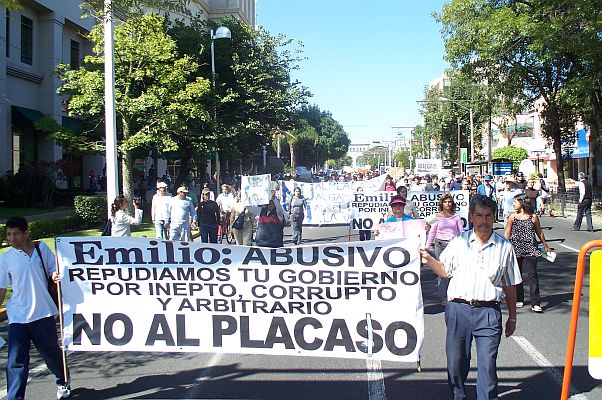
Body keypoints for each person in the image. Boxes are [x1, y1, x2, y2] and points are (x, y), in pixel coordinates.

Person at [420, 195, 521, 400]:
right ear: (471, 217)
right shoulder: (459, 242)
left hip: (489, 313)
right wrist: (429, 259)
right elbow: (444, 271)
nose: (484, 221)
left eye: (488, 216)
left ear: (494, 217)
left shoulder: (505, 247)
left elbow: (510, 285)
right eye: (479, 216)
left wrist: (512, 317)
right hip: (458, 310)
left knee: (487, 364)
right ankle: (459, 395)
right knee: (456, 362)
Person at [0, 217, 72, 400]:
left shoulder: (41, 249)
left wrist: (55, 275)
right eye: (9, 234)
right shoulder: (5, 258)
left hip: (43, 313)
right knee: (16, 362)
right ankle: (15, 397)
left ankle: (62, 382)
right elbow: (1, 289)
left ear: (26, 233)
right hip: (17, 317)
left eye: (16, 234)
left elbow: (53, 269)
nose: (12, 238)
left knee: (52, 355)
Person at [504, 194, 551, 313]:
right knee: (517, 275)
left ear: (522, 203)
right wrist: (503, 247)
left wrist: (545, 245)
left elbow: (539, 232)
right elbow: (507, 233)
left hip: (531, 248)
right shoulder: (512, 217)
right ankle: (519, 298)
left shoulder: (533, 217)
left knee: (532, 276)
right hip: (516, 248)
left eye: (515, 202)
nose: (513, 204)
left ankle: (536, 303)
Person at [425, 193, 464, 305]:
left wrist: (464, 245)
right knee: (442, 271)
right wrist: (427, 246)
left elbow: (461, 232)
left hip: (453, 245)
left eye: (449, 202)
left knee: (454, 270)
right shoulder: (437, 216)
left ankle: (454, 293)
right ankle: (443, 296)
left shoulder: (456, 216)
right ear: (442, 203)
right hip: (440, 245)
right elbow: (432, 231)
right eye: (445, 202)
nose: (447, 204)